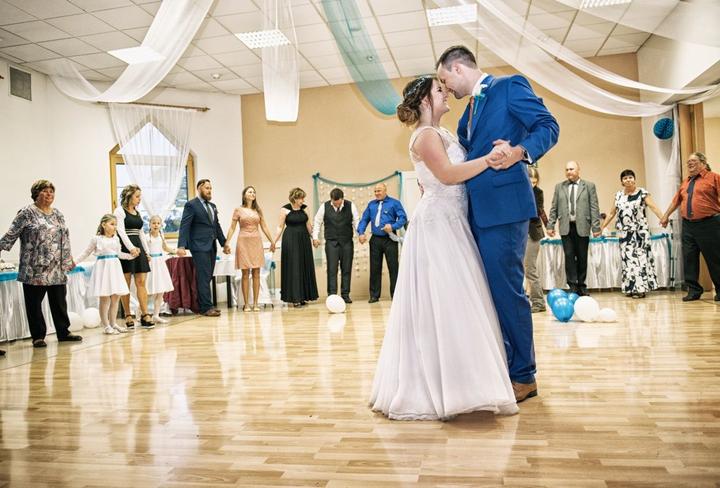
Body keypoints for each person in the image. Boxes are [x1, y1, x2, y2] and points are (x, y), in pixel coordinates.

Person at [370, 76, 518, 420]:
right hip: (438, 225)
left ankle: (467, 383)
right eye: (439, 90)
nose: (446, 92)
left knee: (460, 301)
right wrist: (490, 159)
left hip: (454, 221)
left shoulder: (443, 132)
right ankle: (445, 388)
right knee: (446, 301)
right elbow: (449, 175)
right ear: (425, 101)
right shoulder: (424, 136)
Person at [436, 45, 559, 402]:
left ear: (458, 68)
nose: (445, 89)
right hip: (477, 212)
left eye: (444, 80)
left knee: (507, 291)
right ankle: (503, 367)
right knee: (489, 293)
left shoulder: (508, 86)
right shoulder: (467, 113)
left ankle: (524, 375)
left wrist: (519, 152)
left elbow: (548, 126)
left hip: (505, 208)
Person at [0, 180, 82, 348]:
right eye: (45, 191)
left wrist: (68, 259)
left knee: (59, 302)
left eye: (51, 191)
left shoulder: (58, 214)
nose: (49, 194)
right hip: (34, 267)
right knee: (34, 303)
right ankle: (38, 336)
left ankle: (63, 332)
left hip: (56, 267)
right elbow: (11, 233)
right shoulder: (26, 213)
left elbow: (64, 238)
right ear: (36, 194)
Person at [660, 152, 720, 301]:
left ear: (703, 163)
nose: (689, 163)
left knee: (715, 258)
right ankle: (694, 290)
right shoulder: (686, 182)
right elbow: (676, 201)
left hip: (709, 224)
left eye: (693, 161)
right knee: (689, 258)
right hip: (688, 225)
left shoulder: (714, 177)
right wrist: (665, 215)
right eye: (688, 162)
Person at [601, 169, 664, 298]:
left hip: (640, 233)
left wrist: (663, 218)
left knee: (640, 260)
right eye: (625, 178)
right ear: (622, 182)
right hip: (624, 234)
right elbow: (612, 213)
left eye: (630, 177)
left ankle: (640, 289)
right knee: (628, 261)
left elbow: (653, 207)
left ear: (634, 179)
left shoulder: (642, 193)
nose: (628, 180)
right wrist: (602, 227)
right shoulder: (618, 195)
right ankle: (630, 287)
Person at [547, 161, 601, 297]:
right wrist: (550, 225)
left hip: (583, 226)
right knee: (569, 257)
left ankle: (582, 286)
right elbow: (554, 207)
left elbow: (594, 207)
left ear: (578, 170)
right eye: (566, 169)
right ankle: (572, 286)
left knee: (582, 257)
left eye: (571, 169)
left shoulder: (589, 186)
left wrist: (596, 227)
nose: (568, 172)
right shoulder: (559, 187)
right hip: (566, 227)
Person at [177, 179, 230, 316]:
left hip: (211, 245)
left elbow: (216, 226)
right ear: (199, 188)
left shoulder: (212, 206)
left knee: (207, 276)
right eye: (207, 188)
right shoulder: (191, 205)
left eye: (210, 188)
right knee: (203, 276)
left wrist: (224, 243)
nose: (209, 190)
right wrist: (181, 245)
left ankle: (204, 305)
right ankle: (206, 307)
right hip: (198, 246)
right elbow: (185, 225)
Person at [74, 214, 133, 335]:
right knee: (105, 298)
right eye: (112, 224)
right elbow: (86, 253)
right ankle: (106, 325)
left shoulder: (116, 239)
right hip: (103, 269)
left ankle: (113, 323)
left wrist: (131, 256)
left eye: (116, 225)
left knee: (116, 297)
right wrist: (74, 262)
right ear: (104, 225)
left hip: (115, 268)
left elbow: (119, 254)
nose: (115, 227)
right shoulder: (97, 239)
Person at [225, 186, 275, 312]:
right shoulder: (238, 210)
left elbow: (264, 226)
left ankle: (256, 303)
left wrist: (272, 241)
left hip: (256, 241)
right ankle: (246, 304)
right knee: (245, 273)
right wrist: (227, 242)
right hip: (243, 242)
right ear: (244, 195)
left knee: (257, 272)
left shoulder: (258, 210)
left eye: (254, 192)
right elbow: (232, 227)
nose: (252, 193)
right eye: (250, 192)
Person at [357, 183, 407, 303]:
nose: (377, 193)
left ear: (385, 190)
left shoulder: (395, 203)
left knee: (393, 267)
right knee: (374, 268)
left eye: (379, 191)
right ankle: (374, 296)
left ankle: (395, 295)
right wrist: (361, 232)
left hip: (390, 239)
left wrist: (393, 226)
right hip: (375, 239)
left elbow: (403, 218)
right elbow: (364, 219)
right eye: (375, 191)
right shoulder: (371, 204)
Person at [114, 184, 154, 329]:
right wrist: (131, 248)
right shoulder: (119, 211)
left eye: (140, 196)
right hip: (126, 248)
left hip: (139, 248)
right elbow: (121, 231)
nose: (139, 199)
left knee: (141, 282)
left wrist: (146, 252)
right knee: (126, 283)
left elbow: (141, 232)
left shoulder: (137, 212)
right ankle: (128, 315)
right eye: (137, 196)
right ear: (129, 196)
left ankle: (145, 314)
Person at [271, 188, 318, 307]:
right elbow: (280, 227)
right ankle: (295, 297)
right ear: (295, 198)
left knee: (303, 265)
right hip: (291, 239)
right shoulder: (285, 209)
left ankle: (303, 296)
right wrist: (274, 242)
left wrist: (314, 238)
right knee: (294, 266)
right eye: (301, 198)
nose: (303, 200)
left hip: (304, 239)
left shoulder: (305, 208)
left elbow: (308, 225)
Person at [312, 188, 360, 304]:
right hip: (331, 243)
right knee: (332, 269)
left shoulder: (351, 206)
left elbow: (356, 222)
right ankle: (332, 295)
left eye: (338, 202)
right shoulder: (324, 207)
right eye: (334, 202)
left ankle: (345, 295)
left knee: (346, 269)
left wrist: (361, 234)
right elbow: (317, 222)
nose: (336, 204)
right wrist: (315, 237)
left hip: (347, 242)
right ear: (331, 199)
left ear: (342, 199)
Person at [525, 166, 548, 313]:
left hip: (533, 233)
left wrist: (548, 225)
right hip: (520, 233)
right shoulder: (519, 190)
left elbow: (537, 211)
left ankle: (539, 302)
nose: (532, 185)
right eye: (530, 182)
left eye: (535, 182)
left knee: (530, 269)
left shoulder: (538, 192)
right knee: (522, 269)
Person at [145, 215, 175, 323]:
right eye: (153, 223)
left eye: (158, 223)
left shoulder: (161, 236)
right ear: (149, 224)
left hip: (160, 263)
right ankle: (141, 313)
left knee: (160, 290)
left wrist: (176, 251)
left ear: (161, 225)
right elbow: (144, 250)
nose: (156, 225)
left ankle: (156, 315)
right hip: (151, 263)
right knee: (148, 291)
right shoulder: (146, 237)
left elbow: (165, 248)